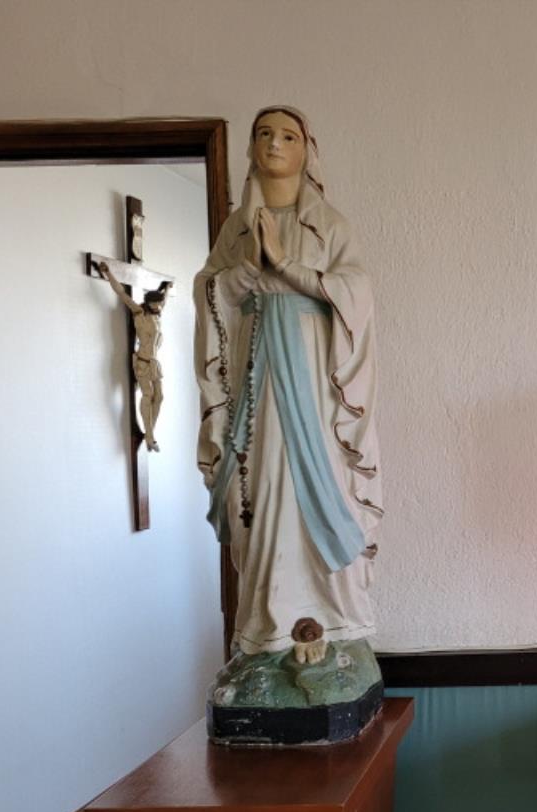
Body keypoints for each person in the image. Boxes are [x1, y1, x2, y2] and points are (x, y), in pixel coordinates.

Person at [194, 106, 383, 665]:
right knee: (257, 485)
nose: (274, 144)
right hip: (256, 379)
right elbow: (210, 292)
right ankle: (266, 623)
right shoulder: (235, 229)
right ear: (251, 148)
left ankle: (335, 619)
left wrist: (287, 266)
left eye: (288, 135)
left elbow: (357, 293)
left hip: (314, 387)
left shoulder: (330, 226)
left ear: (307, 150)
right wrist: (244, 272)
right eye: (264, 134)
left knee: (321, 481)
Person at [99, 263, 170, 452]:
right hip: (143, 363)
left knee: (160, 397)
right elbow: (121, 293)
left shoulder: (157, 315)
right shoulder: (139, 312)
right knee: (148, 395)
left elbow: (165, 301)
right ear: (150, 302)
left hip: (155, 363)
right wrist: (108, 273)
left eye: (159, 303)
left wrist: (168, 288)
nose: (159, 306)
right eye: (156, 303)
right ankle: (150, 436)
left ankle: (149, 433)